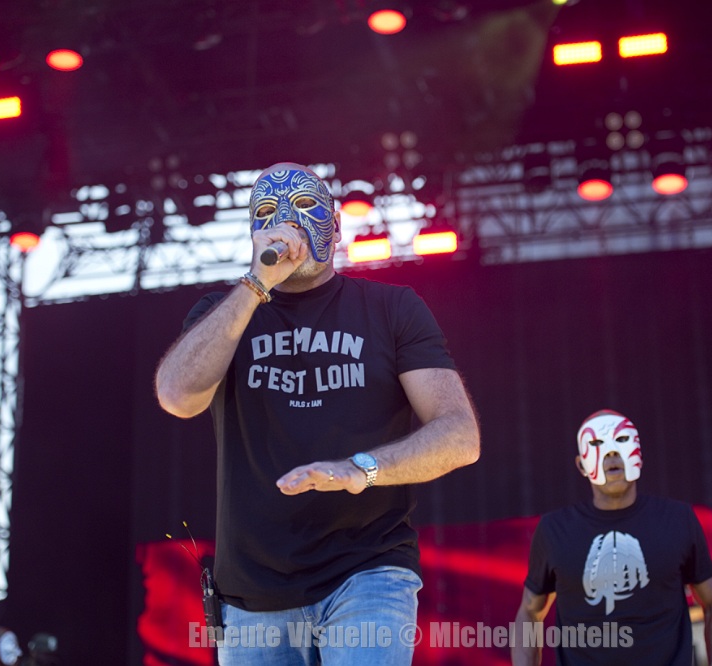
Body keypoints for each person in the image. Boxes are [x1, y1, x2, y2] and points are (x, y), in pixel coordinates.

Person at [154, 162, 480, 665]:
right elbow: (177, 396)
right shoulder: (223, 315)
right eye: (268, 211)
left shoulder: (391, 309)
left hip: (368, 570)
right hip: (252, 594)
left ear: (336, 224)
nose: (286, 219)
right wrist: (256, 284)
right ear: (253, 233)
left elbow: (459, 435)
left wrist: (361, 469)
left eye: (305, 205)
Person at [511, 409, 712, 666]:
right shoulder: (555, 529)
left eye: (621, 440)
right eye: (597, 443)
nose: (611, 453)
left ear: (638, 453)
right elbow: (530, 612)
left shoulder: (677, 519)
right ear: (582, 465)